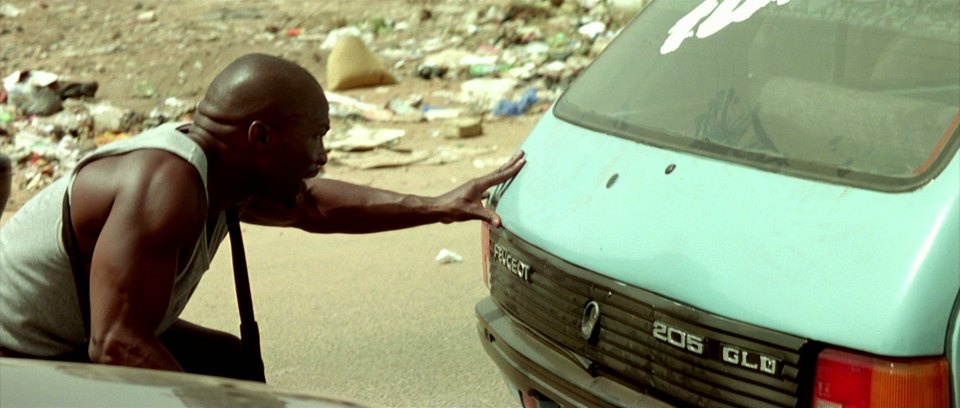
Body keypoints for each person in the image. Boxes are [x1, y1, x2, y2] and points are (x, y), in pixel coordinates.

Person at [0, 53, 525, 381]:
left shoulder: (226, 169)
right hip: (20, 354)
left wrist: (437, 206)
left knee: (231, 366)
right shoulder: (164, 186)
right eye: (316, 135)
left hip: (78, 335)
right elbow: (116, 346)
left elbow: (312, 205)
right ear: (261, 137)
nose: (322, 153)